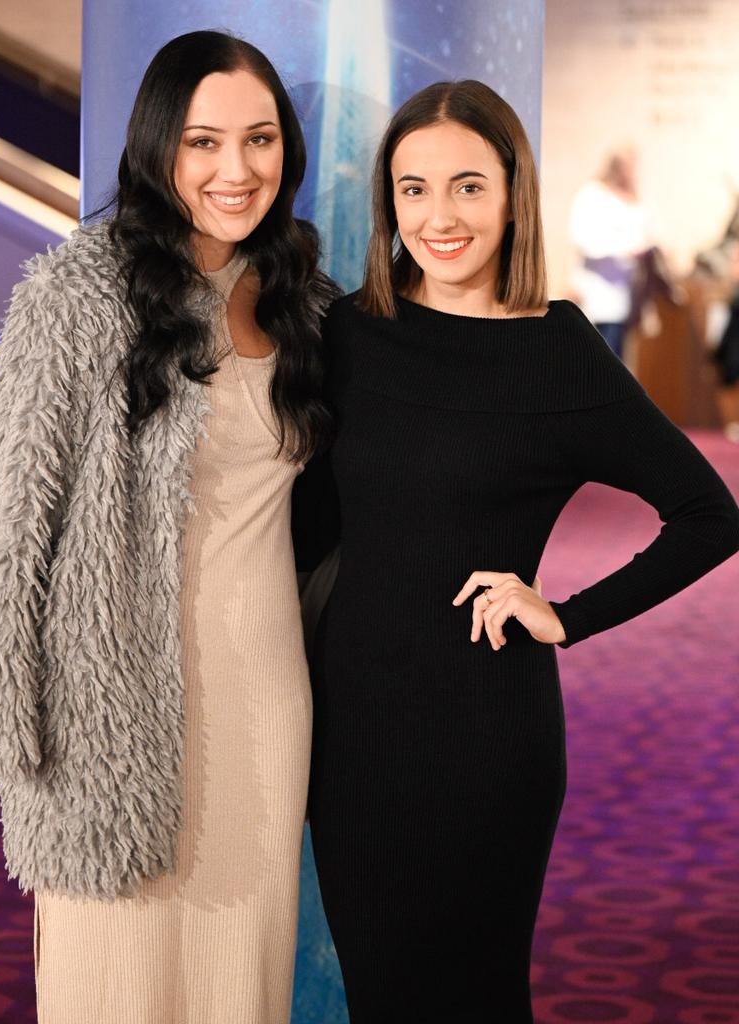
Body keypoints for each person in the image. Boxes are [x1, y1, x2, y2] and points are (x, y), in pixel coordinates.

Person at [299, 81, 739, 1023]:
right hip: (352, 734)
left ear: (512, 194)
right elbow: (304, 526)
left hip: (486, 734)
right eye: (412, 189)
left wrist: (566, 615)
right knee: (383, 998)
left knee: (476, 1001)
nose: (439, 216)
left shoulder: (558, 353)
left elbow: (709, 513)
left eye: (467, 186)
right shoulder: (350, 334)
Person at [0, 29, 336, 1024]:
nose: (235, 168)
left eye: (259, 140)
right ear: (158, 147)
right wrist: (13, 721)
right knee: (114, 986)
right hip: (109, 714)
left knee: (237, 987)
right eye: (204, 141)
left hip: (265, 702)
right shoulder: (77, 294)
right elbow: (6, 526)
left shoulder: (306, 301)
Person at [569, 148, 652, 357]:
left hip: (622, 296)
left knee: (616, 363)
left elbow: (645, 234)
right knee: (593, 359)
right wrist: (625, 248)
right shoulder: (593, 194)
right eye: (628, 166)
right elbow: (583, 238)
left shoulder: (634, 199)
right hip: (596, 291)